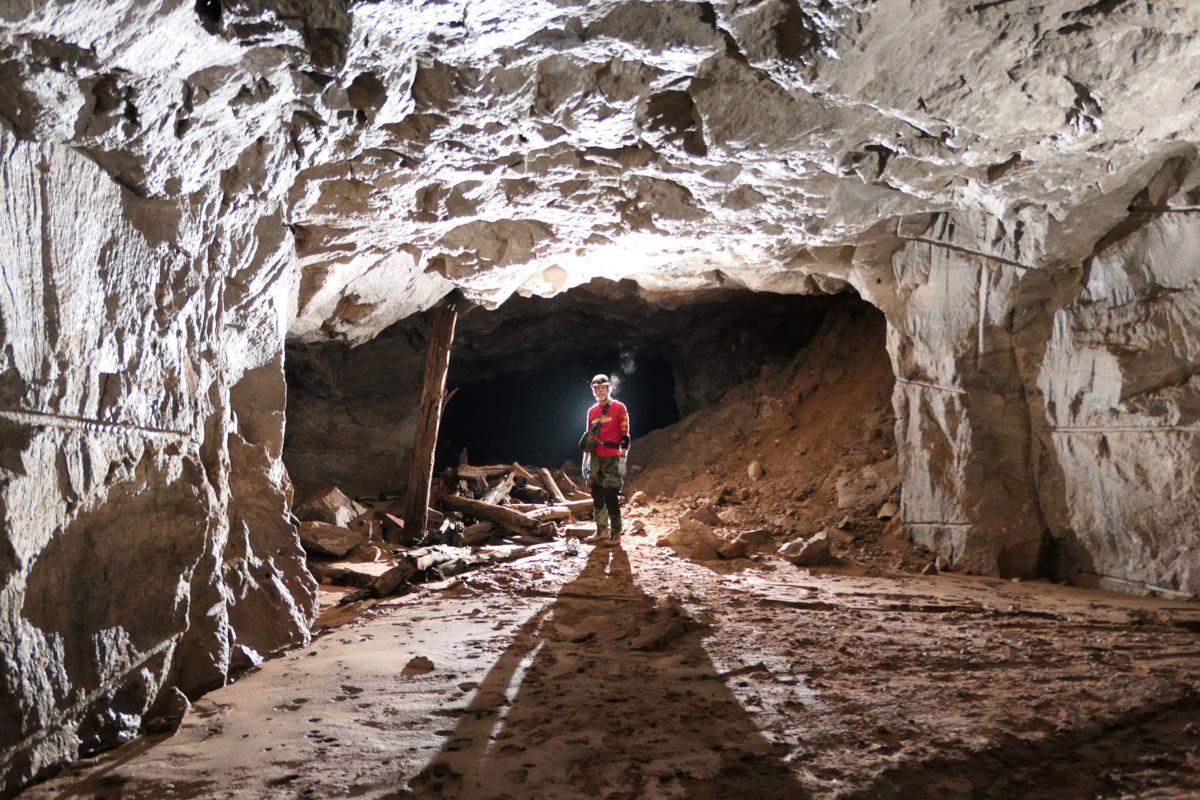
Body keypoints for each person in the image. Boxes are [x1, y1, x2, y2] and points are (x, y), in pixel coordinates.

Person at [578, 373, 630, 545]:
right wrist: (584, 461)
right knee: (597, 494)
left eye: (603, 387)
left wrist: (623, 458)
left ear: (609, 388)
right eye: (596, 388)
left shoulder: (619, 408)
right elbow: (588, 438)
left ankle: (616, 533)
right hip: (595, 458)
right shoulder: (592, 411)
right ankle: (602, 531)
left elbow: (625, 436)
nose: (599, 391)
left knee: (610, 494)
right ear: (593, 391)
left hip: (613, 457)